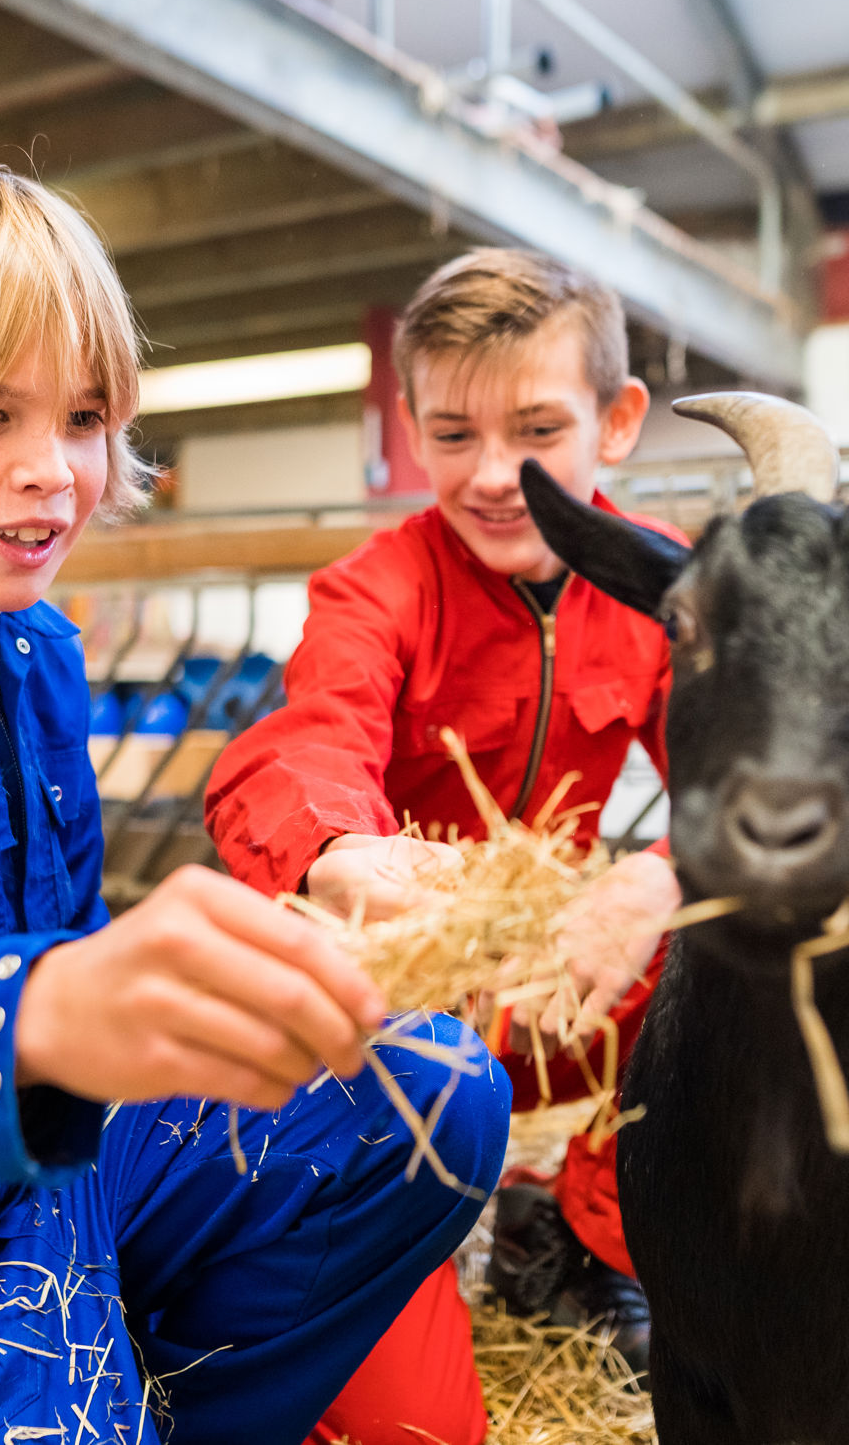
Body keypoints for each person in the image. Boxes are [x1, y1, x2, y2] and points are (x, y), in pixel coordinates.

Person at [0, 153, 510, 1445]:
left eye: (84, 415)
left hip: (34, 1149)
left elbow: (68, 949)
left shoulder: (30, 644)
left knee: (428, 1095)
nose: (55, 471)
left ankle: (139, 1405)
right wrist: (39, 1010)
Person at [204, 248, 686, 1445]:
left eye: (536, 428)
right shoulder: (377, 591)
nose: (493, 476)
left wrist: (660, 876)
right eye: (454, 433)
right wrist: (344, 858)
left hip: (563, 980)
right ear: (414, 429)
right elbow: (305, 742)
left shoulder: (667, 584)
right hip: (402, 995)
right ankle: (370, 1249)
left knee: (731, 955)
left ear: (616, 423)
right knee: (411, 1415)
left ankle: (586, 1237)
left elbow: (742, 781)